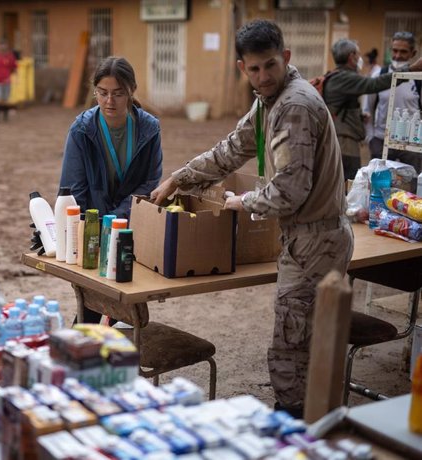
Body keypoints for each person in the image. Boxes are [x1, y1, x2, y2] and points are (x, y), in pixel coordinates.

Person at [150, 19, 353, 417]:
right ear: (242, 68)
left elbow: (289, 192)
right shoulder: (269, 101)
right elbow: (231, 150)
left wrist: (241, 202)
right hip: (306, 239)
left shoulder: (293, 106)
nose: (263, 76)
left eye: (270, 65)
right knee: (299, 346)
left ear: (286, 59)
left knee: (293, 353)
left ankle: (297, 432)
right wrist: (179, 178)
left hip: (315, 241)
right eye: (254, 68)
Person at [58, 56, 162, 324]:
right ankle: (84, 350)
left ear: (131, 91)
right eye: (102, 93)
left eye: (118, 94)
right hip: (91, 230)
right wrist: (93, 231)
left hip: (130, 228)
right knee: (93, 301)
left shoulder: (149, 129)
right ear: (94, 91)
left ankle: (100, 351)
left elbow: (149, 183)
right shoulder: (82, 130)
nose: (109, 102)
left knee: (126, 299)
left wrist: (115, 223)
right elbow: (73, 189)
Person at [322, 38, 422, 180]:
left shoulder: (338, 76)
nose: (359, 58)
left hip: (342, 140)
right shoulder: (345, 78)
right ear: (351, 57)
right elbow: (374, 84)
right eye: (358, 54)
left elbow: (342, 107)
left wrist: (358, 117)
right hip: (345, 145)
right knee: (347, 185)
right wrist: (411, 69)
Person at [364, 32, 422, 172]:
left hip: (411, 144)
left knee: (410, 189)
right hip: (381, 140)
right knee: (380, 184)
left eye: (403, 51)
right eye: (395, 50)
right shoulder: (379, 75)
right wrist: (371, 138)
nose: (397, 55)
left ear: (413, 53)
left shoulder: (418, 79)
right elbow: (368, 109)